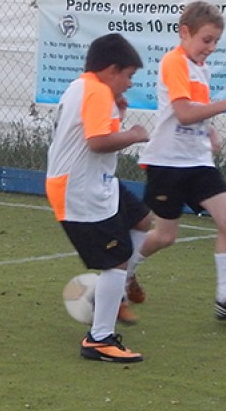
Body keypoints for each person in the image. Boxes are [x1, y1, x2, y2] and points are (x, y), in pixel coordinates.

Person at [126, 0, 226, 321]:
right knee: (165, 236)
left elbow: (198, 111)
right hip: (168, 163)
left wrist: (211, 131)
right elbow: (184, 113)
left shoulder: (201, 69)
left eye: (216, 41)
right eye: (207, 40)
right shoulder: (173, 62)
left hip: (198, 161)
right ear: (185, 32)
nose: (211, 47)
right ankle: (123, 272)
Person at [46, 33, 152, 363]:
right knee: (116, 258)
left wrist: (117, 113)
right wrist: (134, 135)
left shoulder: (84, 86)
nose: (130, 84)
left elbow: (90, 134)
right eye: (129, 75)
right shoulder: (96, 91)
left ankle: (117, 286)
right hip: (80, 190)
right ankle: (100, 338)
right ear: (111, 70)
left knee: (143, 220)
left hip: (96, 183)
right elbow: (97, 142)